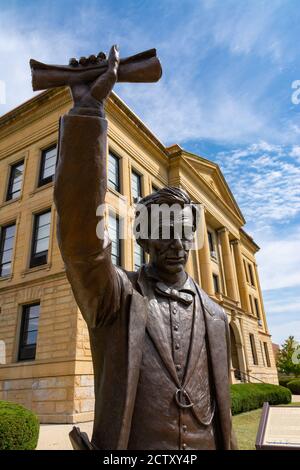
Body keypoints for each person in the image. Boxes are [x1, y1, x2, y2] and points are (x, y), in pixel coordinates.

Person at [54, 45, 237, 450]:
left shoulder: (217, 316)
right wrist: (88, 111)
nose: (176, 241)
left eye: (184, 229)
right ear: (142, 236)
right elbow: (81, 235)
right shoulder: (116, 298)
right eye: (164, 228)